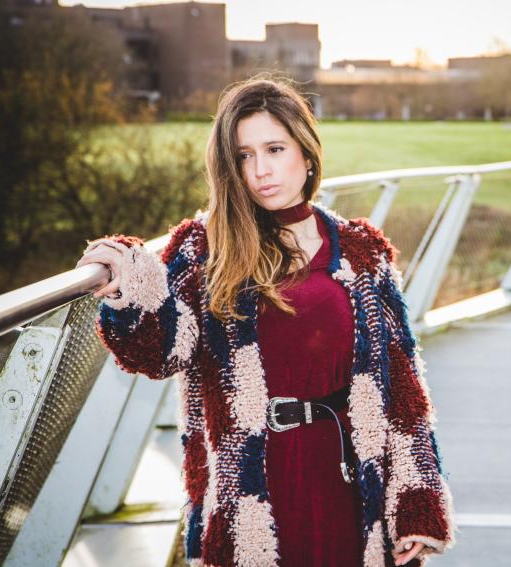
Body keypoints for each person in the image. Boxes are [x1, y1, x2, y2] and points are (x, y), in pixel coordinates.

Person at [76, 77, 456, 567]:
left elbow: (403, 390)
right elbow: (158, 352)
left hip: (347, 478)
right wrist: (131, 288)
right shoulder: (203, 249)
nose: (260, 171)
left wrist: (417, 508)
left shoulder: (362, 252)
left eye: (274, 149)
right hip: (251, 486)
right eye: (243, 156)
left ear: (307, 152)